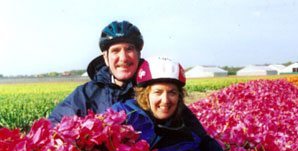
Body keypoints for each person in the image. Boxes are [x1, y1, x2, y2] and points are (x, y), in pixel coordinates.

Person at [48, 20, 207, 138]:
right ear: (105, 57)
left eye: (129, 49)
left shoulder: (153, 89)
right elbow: (54, 125)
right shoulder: (86, 94)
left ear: (139, 54)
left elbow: (196, 133)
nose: (123, 58)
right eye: (116, 51)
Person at [112, 57, 234, 151]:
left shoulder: (185, 116)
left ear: (179, 96)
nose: (165, 100)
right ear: (145, 95)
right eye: (158, 92)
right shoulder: (126, 114)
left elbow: (205, 140)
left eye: (172, 93)